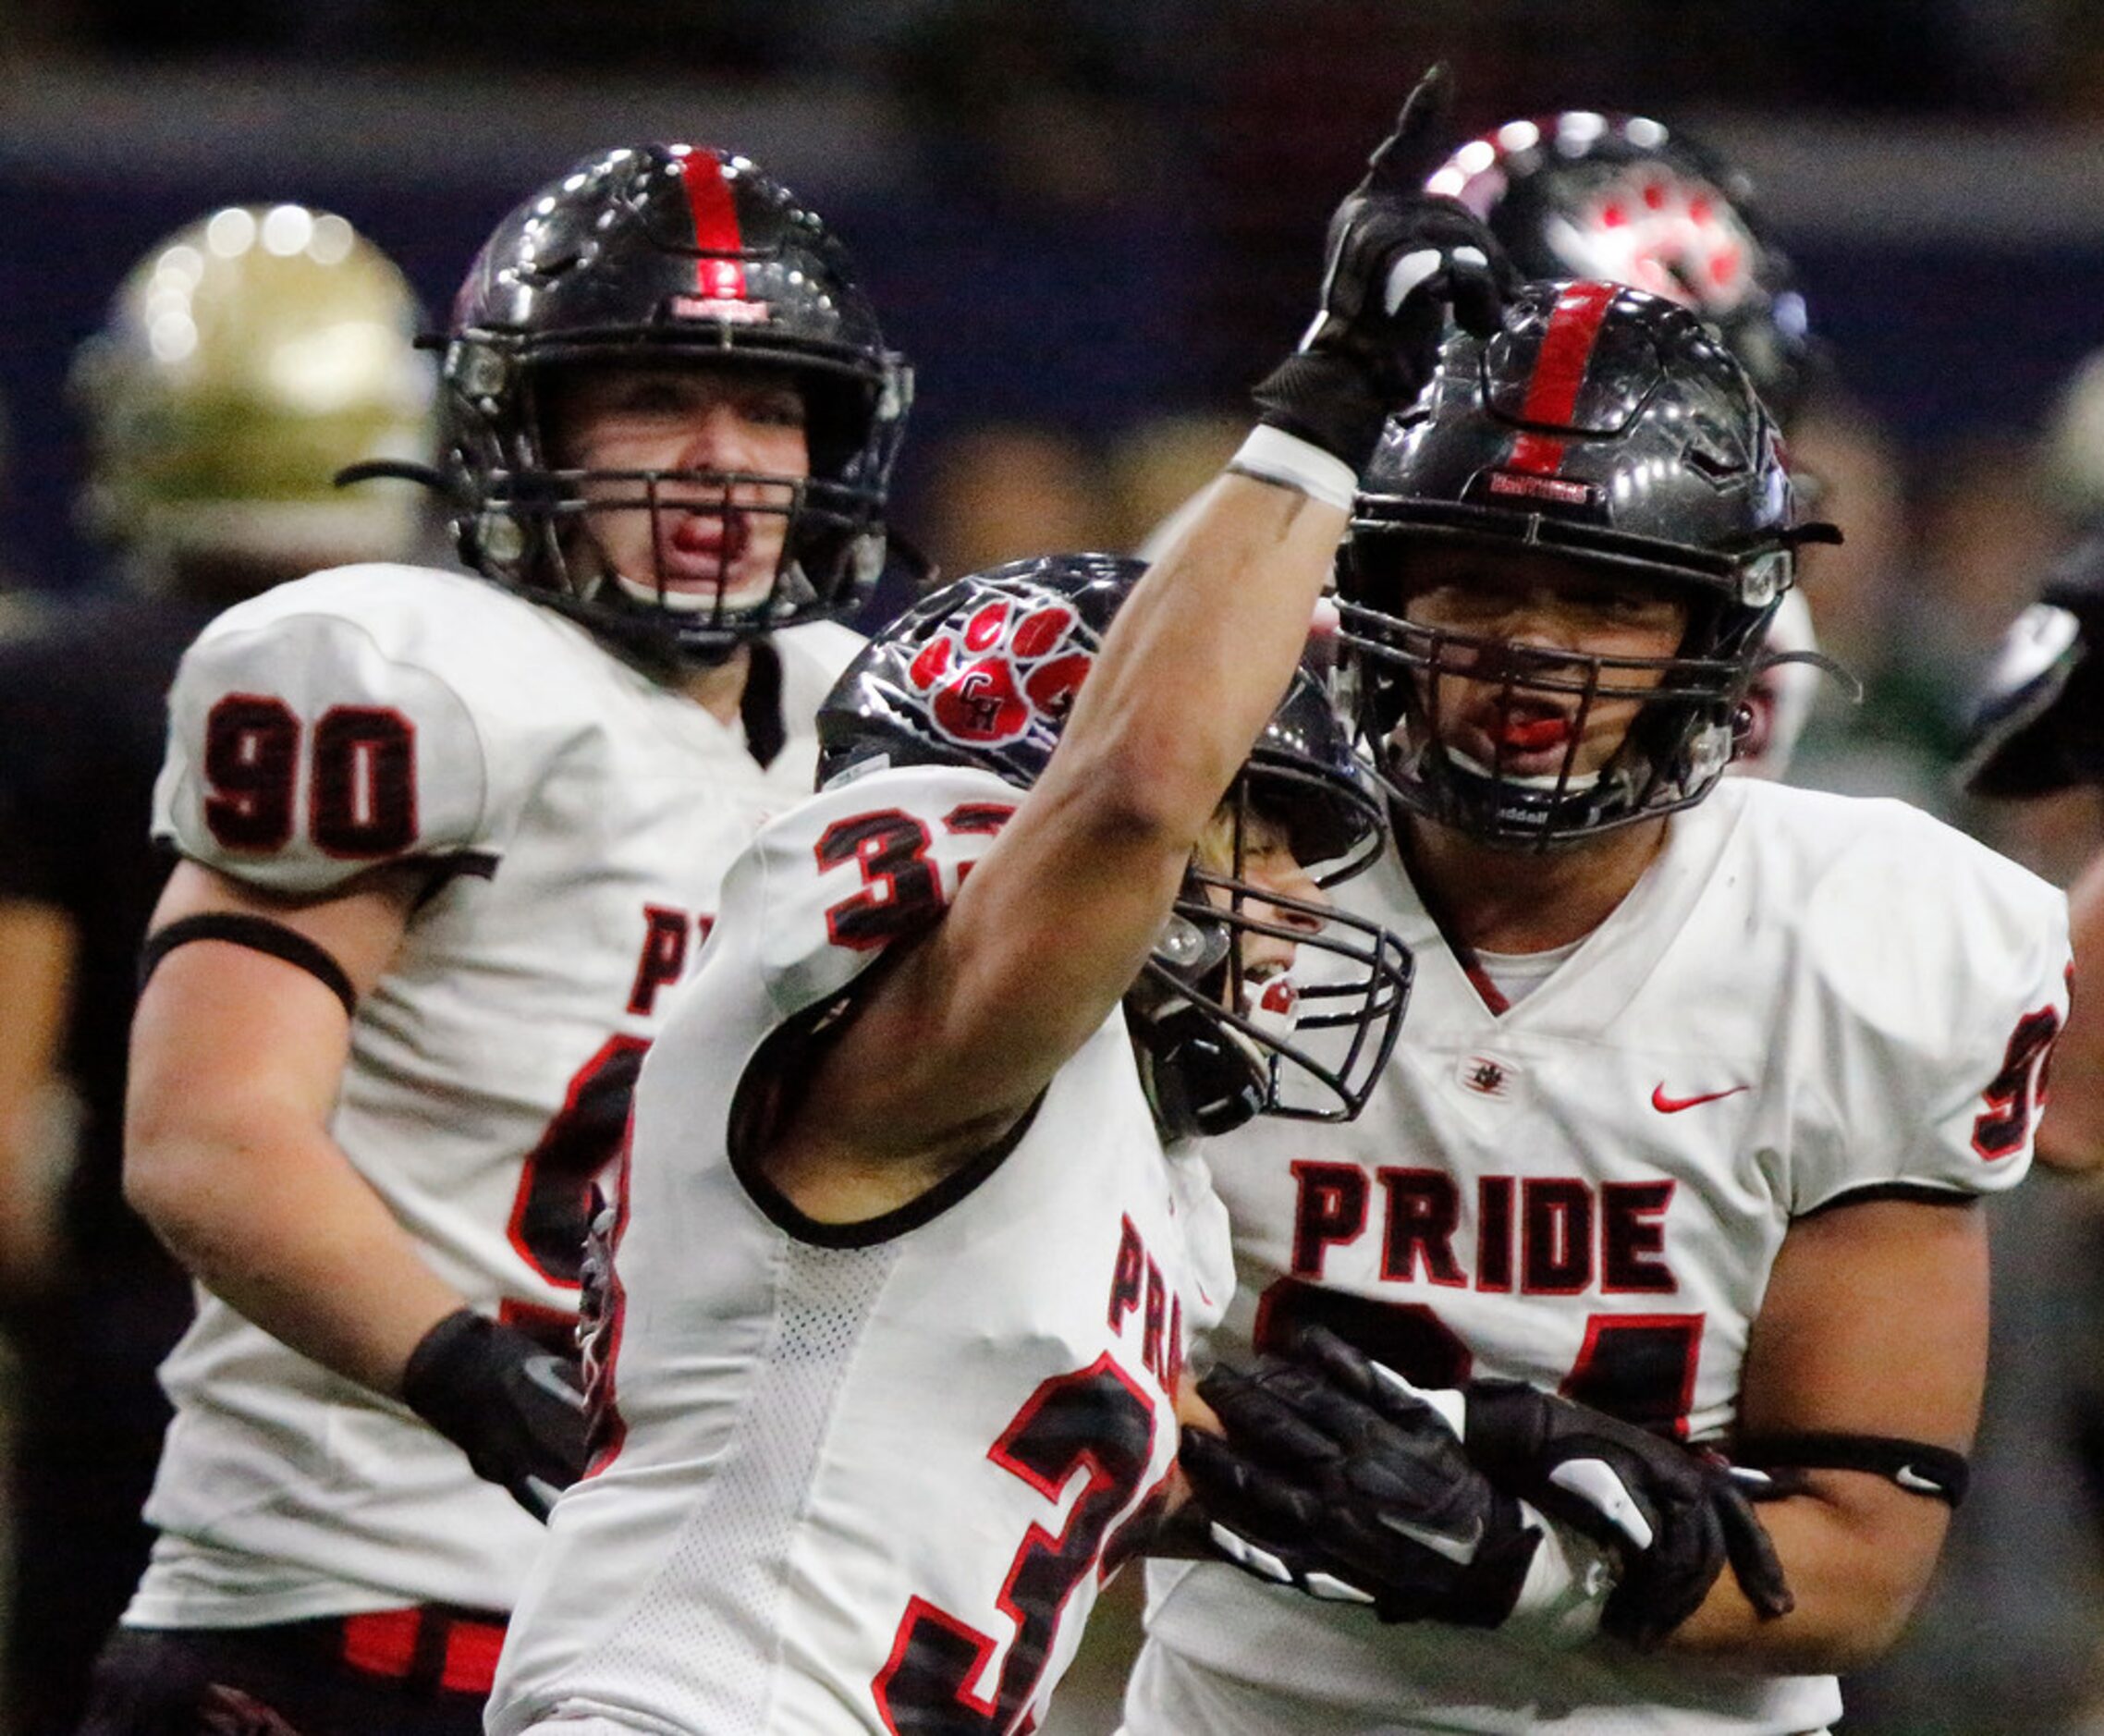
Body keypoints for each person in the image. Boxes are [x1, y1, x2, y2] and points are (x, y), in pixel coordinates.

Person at [482, 69, 1491, 1736]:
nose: (1305, 894)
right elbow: (1133, 792)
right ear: (1000, 819)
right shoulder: (922, 1023)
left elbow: (1017, 1439)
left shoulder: (1107, 1158)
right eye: (1266, 833)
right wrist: (1331, 403)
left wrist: (1507, 1467)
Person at [1124, 278, 2073, 1736]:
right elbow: (1050, 1396)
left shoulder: (1858, 935)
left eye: (1610, 595)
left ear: (1713, 633)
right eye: (1480, 580)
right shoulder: (1224, 880)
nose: (1537, 646)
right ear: (1376, 594)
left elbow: (1860, 1561)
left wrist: (1513, 1565)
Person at [77, 144, 911, 1736]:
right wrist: (473, 1375)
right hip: (351, 1602)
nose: (722, 459)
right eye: (653, 399)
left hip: (690, 1629)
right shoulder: (402, 672)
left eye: (774, 407)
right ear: (519, 429)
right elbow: (204, 1137)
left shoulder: (861, 727)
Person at [0, 202, 434, 1736]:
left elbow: (6, 1148)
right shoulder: (474, 680)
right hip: (424, 1369)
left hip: (152, 1365)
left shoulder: (58, 693)